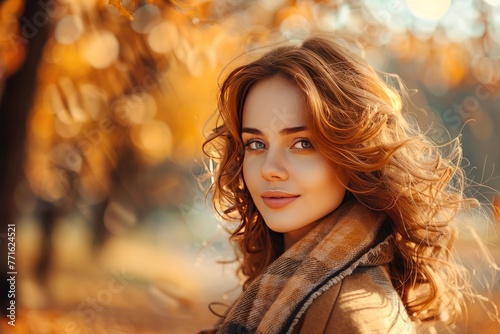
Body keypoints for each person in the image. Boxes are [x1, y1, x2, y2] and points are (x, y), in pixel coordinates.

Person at [201, 35, 488, 333]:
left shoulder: (354, 317)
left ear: (354, 153)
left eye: (302, 143)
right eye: (256, 143)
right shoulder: (278, 288)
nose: (270, 170)